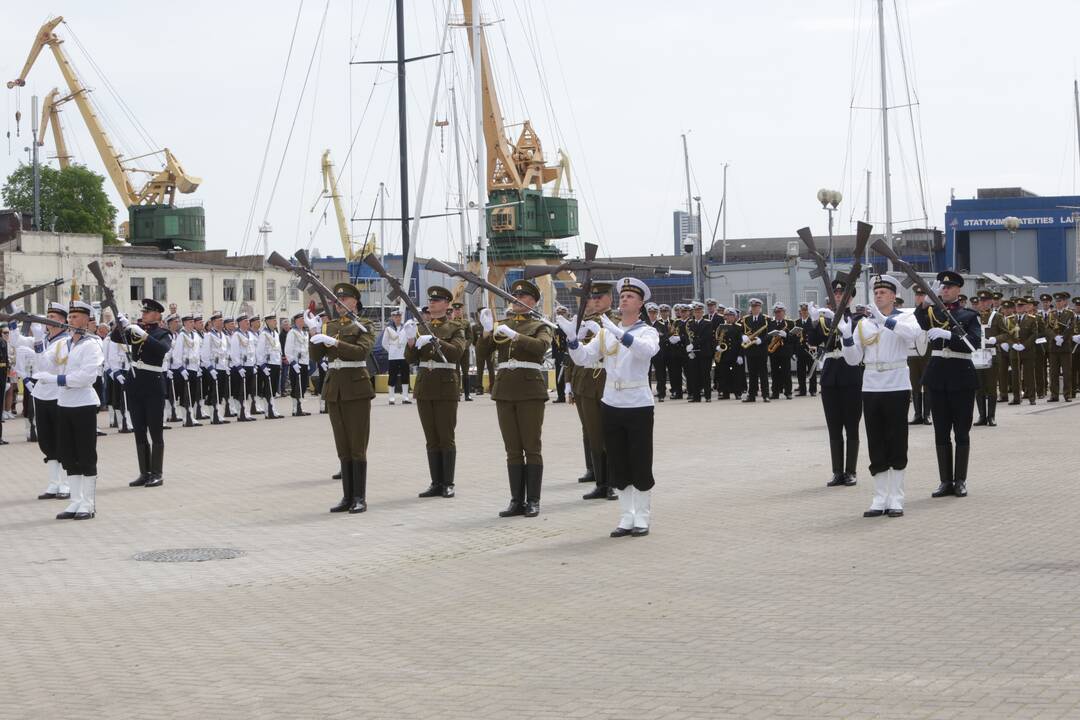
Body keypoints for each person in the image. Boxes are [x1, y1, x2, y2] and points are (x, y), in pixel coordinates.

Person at [561, 277, 659, 537]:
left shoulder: (647, 331)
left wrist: (619, 333)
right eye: (623, 296)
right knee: (618, 461)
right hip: (611, 403)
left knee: (639, 460)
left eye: (630, 297)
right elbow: (584, 358)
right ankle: (626, 516)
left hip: (637, 403)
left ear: (640, 304)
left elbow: (646, 352)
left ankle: (642, 517)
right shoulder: (605, 331)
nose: (624, 299)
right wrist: (572, 340)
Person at [840, 275, 918, 518]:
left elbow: (912, 336)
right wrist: (846, 336)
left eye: (884, 292)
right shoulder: (864, 324)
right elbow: (853, 360)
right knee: (876, 441)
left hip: (896, 383)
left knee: (896, 439)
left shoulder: (906, 316)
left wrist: (886, 321)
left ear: (894, 296)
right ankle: (879, 497)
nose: (878, 295)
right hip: (872, 385)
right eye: (876, 292)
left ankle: (896, 497)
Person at [475, 279, 553, 518]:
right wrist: (487, 331)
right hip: (505, 391)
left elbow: (541, 348)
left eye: (525, 297)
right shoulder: (503, 324)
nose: (518, 300)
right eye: (516, 296)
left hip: (530, 391)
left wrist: (515, 336)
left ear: (534, 302)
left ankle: (534, 500)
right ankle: (516, 500)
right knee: (512, 449)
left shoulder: (540, 325)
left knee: (531, 446)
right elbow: (481, 354)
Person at [306, 284, 375, 514]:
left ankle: (359, 497)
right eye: (337, 299)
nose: (339, 302)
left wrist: (335, 343)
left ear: (355, 301)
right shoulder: (330, 325)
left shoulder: (364, 325)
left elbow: (360, 352)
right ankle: (346, 496)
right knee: (342, 447)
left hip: (356, 388)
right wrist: (314, 333)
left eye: (344, 298)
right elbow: (316, 356)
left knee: (357, 446)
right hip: (334, 389)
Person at [914, 270, 981, 499]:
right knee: (940, 431)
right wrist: (925, 302)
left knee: (961, 431)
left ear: (958, 290)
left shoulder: (969, 315)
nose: (945, 290)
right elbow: (920, 321)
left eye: (949, 287)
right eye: (942, 287)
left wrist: (949, 334)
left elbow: (974, 344)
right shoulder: (932, 312)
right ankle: (945, 481)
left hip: (961, 377)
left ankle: (960, 480)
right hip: (937, 378)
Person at [37, 301, 104, 520]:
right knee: (68, 454)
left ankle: (88, 503)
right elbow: (45, 366)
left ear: (86, 320)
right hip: (64, 404)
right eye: (70, 317)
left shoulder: (92, 345)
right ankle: (75, 501)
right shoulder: (63, 344)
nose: (71, 320)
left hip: (83, 403)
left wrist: (57, 379)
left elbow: (86, 377)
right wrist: (41, 340)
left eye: (76, 317)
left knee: (85, 453)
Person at [405, 286, 468, 498]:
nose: (432, 303)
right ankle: (435, 482)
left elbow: (457, 353)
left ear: (446, 304)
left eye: (437, 300)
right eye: (431, 300)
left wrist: (435, 340)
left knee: (446, 436)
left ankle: (448, 482)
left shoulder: (455, 327)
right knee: (431, 437)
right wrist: (411, 342)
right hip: (425, 387)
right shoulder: (422, 327)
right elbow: (411, 359)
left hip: (445, 386)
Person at [807, 279, 865, 486]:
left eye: (843, 293)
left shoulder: (858, 319)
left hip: (850, 373)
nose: (839, 296)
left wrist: (838, 321)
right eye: (836, 293)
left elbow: (856, 340)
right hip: (831, 373)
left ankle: (851, 471)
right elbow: (813, 341)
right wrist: (813, 321)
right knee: (833, 426)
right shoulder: (824, 320)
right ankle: (837, 471)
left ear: (850, 297)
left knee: (851, 425)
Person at [10, 304, 72, 498]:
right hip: (41, 394)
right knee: (46, 440)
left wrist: (37, 341)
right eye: (47, 317)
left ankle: (66, 483)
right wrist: (13, 320)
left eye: (52, 317)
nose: (47, 321)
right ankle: (54, 482)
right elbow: (16, 342)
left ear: (62, 321)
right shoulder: (45, 339)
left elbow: (46, 365)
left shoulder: (66, 342)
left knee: (61, 438)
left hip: (58, 394)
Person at [113, 299, 172, 488]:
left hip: (153, 386)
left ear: (157, 315)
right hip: (135, 385)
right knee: (139, 430)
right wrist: (119, 323)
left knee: (155, 430)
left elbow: (162, 349)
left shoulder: (164, 333)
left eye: (147, 312)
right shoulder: (136, 330)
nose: (144, 314)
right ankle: (144, 472)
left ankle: (157, 473)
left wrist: (144, 335)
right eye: (143, 312)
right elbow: (117, 338)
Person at [570, 282, 619, 499]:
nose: (595, 300)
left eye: (600, 297)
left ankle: (614, 484)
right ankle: (600, 483)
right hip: (586, 382)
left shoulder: (617, 321)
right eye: (593, 297)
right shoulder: (585, 322)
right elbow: (574, 357)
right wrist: (570, 383)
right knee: (594, 434)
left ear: (610, 298)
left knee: (611, 434)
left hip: (609, 379)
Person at [974, 290, 1003, 426]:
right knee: (979, 387)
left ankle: (991, 416)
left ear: (991, 302)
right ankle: (981, 416)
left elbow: (1006, 334)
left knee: (991, 387)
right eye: (981, 301)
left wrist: (995, 339)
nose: (983, 303)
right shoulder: (974, 316)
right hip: (978, 354)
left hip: (992, 354)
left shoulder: (997, 317)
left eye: (986, 301)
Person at [907, 288, 933, 424]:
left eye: (922, 295)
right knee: (915, 383)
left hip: (927, 351)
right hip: (913, 352)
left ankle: (927, 414)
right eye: (917, 295)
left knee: (927, 382)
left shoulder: (930, 312)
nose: (919, 298)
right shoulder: (910, 313)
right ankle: (917, 414)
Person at [1045, 291, 1074, 402]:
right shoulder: (1051, 314)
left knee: (1067, 372)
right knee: (1053, 373)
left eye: (1060, 301)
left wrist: (1062, 338)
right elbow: (1047, 328)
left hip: (1065, 346)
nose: (1058, 303)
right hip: (1053, 347)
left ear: (1065, 302)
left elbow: (1071, 327)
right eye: (1056, 301)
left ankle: (1067, 394)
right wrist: (1054, 337)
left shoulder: (1070, 313)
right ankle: (1054, 395)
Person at [740, 298, 770, 402]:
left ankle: (765, 395)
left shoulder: (766, 319)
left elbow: (769, 334)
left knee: (763, 373)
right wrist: (743, 336)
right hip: (750, 350)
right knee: (752, 374)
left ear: (760, 308)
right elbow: (740, 331)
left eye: (756, 307)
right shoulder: (746, 319)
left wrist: (761, 340)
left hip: (761, 349)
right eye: (753, 307)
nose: (754, 309)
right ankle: (751, 395)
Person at [256, 314, 285, 419]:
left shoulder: (275, 333)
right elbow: (259, 351)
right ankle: (269, 411)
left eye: (275, 320)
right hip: (268, 365)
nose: (275, 322)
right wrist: (262, 365)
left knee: (273, 389)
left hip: (276, 363)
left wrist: (280, 363)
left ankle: (273, 409)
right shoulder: (264, 334)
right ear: (267, 322)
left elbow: (278, 349)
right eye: (273, 320)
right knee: (268, 389)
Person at [684, 301, 714, 402]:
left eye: (699, 311)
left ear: (702, 312)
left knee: (705, 375)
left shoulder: (707, 323)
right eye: (696, 312)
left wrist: (693, 344)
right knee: (694, 375)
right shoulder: (690, 323)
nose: (697, 313)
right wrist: (688, 347)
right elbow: (688, 336)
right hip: (693, 353)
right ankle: (696, 397)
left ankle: (708, 396)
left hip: (704, 352)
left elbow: (706, 337)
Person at [283, 312, 311, 417]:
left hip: (304, 362)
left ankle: (301, 407)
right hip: (296, 363)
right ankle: (296, 408)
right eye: (300, 320)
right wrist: (292, 362)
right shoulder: (292, 332)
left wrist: (307, 363)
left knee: (303, 385)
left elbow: (306, 349)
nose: (302, 321)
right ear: (296, 321)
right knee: (296, 386)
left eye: (303, 320)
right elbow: (288, 349)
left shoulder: (305, 333)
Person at [381, 309, 411, 406]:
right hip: (393, 356)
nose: (398, 318)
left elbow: (409, 340)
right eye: (396, 317)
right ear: (392, 318)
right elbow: (384, 343)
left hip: (403, 355)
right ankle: (391, 397)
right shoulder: (388, 329)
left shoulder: (405, 328)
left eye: (399, 316)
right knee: (392, 376)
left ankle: (405, 397)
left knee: (405, 375)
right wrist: (391, 350)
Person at [768, 302, 795, 400]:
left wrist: (786, 335)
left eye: (780, 312)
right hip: (774, 351)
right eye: (776, 312)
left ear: (784, 312)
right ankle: (775, 392)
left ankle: (788, 392)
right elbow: (767, 336)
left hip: (785, 352)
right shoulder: (771, 323)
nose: (778, 314)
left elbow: (794, 339)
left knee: (786, 372)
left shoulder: (790, 323)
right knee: (774, 373)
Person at [794, 302, 818, 397]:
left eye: (806, 311)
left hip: (810, 350)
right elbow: (795, 339)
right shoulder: (797, 322)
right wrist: (794, 351)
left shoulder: (813, 322)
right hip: (800, 350)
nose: (804, 312)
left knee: (812, 371)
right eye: (802, 311)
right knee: (801, 372)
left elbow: (816, 335)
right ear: (800, 311)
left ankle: (813, 390)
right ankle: (802, 390)